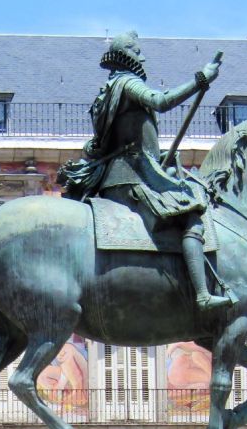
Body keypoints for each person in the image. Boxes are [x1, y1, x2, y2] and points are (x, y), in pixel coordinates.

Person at [57, 31, 231, 317]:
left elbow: (107, 142)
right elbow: (161, 101)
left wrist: (159, 158)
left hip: (117, 176)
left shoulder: (107, 92)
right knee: (190, 217)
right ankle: (202, 295)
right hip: (132, 178)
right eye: (138, 52)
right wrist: (201, 78)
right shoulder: (128, 84)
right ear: (127, 56)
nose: (143, 57)